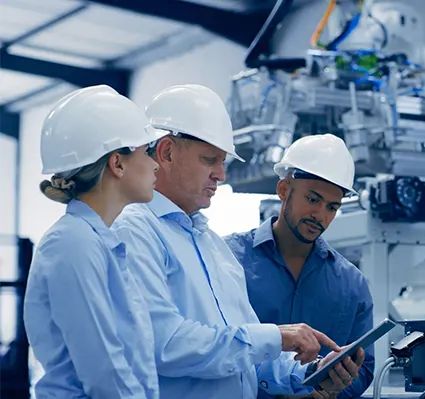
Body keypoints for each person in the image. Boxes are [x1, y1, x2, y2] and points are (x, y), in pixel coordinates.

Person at [112, 84, 364, 399]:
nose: (221, 174)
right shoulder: (135, 232)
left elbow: (248, 357)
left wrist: (309, 372)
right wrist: (276, 336)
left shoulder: (213, 247)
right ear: (166, 153)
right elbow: (164, 343)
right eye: (209, 160)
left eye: (222, 163)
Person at [23, 85, 167, 398]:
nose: (156, 164)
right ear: (118, 163)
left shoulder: (99, 240)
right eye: (147, 152)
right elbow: (103, 370)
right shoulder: (73, 244)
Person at [224, 134, 375, 399]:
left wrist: (330, 389)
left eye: (332, 207)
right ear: (283, 190)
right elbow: (216, 344)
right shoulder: (226, 258)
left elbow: (365, 368)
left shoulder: (352, 284)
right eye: (313, 199)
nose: (321, 215)